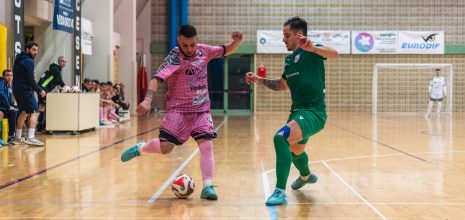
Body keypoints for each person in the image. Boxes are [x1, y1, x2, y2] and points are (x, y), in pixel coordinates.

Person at [120, 24, 242, 200]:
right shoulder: (174, 57)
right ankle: (142, 148)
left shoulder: (204, 51)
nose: (189, 49)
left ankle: (208, 186)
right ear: (179, 41)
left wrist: (236, 42)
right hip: (179, 111)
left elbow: (225, 50)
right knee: (166, 148)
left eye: (192, 44)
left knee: (206, 145)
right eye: (185, 45)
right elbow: (156, 79)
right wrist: (147, 100)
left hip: (201, 111)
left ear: (197, 41)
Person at [245, 16, 338, 206]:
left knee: (280, 138)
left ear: (299, 35)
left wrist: (312, 47)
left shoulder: (312, 50)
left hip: (313, 113)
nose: (283, 39)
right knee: (296, 152)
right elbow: (281, 85)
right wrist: (259, 80)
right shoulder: (289, 60)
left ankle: (280, 191)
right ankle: (306, 176)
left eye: (286, 35)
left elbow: (335, 53)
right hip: (297, 113)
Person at [12, 42, 46, 146]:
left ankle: (18, 137)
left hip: (17, 90)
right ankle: (31, 137)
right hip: (25, 90)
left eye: (36, 50)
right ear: (27, 49)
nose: (35, 52)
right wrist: (40, 90)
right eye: (33, 50)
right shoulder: (28, 61)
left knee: (23, 112)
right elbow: (31, 80)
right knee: (35, 112)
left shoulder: (18, 59)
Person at [36, 56, 67, 131]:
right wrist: (66, 87)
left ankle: (40, 126)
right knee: (42, 107)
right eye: (62, 61)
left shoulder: (55, 68)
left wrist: (61, 89)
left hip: (42, 88)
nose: (64, 63)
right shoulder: (56, 69)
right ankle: (40, 126)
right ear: (59, 61)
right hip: (43, 89)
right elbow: (59, 81)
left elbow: (56, 81)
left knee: (42, 106)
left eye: (65, 61)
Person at [0, 69, 18, 143]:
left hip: (3, 107)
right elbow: (1, 94)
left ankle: (12, 135)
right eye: (7, 75)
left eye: (11, 75)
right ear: (3, 76)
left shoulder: (9, 86)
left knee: (16, 111)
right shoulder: (1, 82)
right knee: (10, 112)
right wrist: (8, 106)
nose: (9, 77)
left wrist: (14, 106)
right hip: (1, 107)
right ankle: (9, 136)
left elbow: (9, 100)